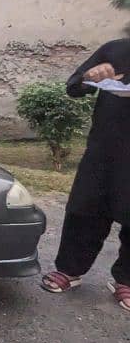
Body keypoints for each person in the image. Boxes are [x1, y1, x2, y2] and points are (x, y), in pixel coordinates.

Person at [41, 38, 130, 312]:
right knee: (85, 207)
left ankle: (127, 280)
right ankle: (69, 270)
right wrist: (90, 76)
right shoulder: (116, 50)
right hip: (105, 149)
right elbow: (74, 86)